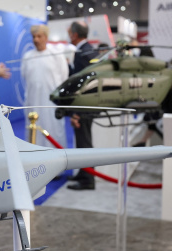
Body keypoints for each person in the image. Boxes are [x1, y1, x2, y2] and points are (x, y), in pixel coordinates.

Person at [21, 25, 68, 148]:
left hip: (51, 103)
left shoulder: (56, 55)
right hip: (33, 101)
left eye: (39, 36)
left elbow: (64, 77)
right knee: (34, 132)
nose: (36, 39)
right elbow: (25, 77)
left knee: (53, 130)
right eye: (34, 37)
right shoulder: (27, 56)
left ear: (46, 37)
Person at [66, 21, 98, 190]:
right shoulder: (87, 50)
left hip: (84, 106)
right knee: (82, 140)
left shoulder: (82, 53)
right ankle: (84, 172)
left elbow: (83, 85)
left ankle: (88, 180)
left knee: (84, 142)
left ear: (74, 34)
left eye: (69, 32)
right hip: (88, 105)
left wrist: (77, 111)